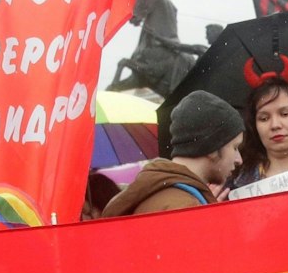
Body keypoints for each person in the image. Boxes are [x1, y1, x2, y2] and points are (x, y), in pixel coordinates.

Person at [100, 89, 243, 216]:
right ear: (213, 147)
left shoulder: (164, 194)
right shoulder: (185, 208)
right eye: (235, 147)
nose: (239, 159)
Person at [232, 79, 288, 190]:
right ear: (254, 127)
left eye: (285, 114)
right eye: (264, 118)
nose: (275, 125)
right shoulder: (233, 185)